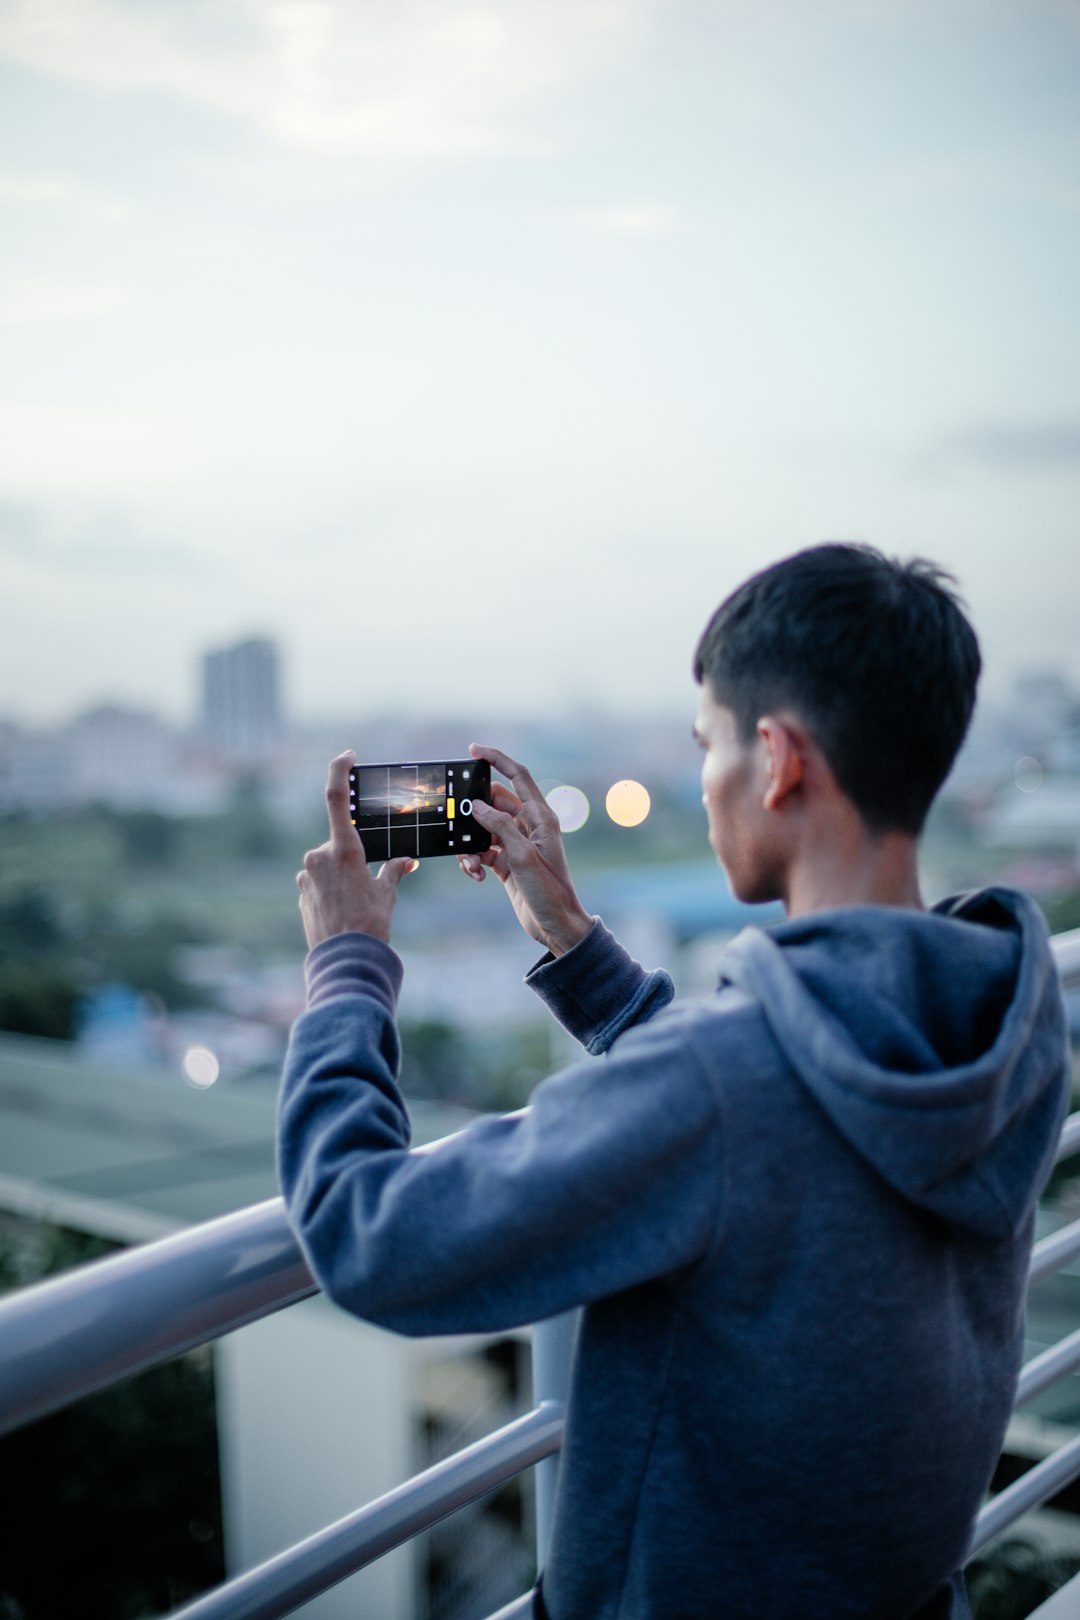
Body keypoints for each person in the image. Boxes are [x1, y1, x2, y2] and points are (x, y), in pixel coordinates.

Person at [277, 543, 1070, 1620]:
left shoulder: (721, 1088)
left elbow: (372, 1238)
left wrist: (346, 969)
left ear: (780, 760)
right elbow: (786, 1119)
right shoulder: (1007, 1018)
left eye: (708, 747)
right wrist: (567, 933)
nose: (704, 789)